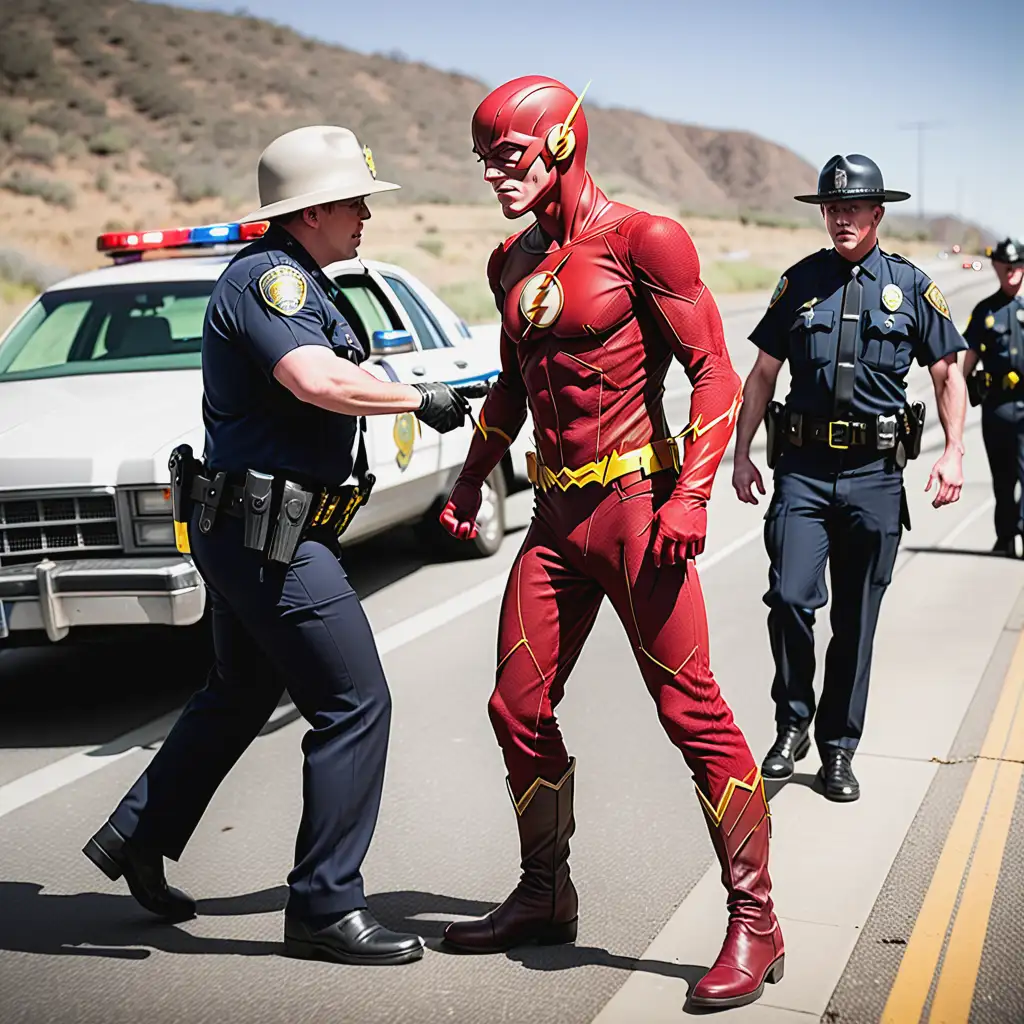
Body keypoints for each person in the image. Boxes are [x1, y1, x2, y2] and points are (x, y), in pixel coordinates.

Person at [82, 125, 470, 966]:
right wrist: (413, 401)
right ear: (316, 207)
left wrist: (429, 387)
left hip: (251, 533)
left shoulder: (305, 281)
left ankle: (137, 835)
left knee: (240, 690)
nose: (366, 213)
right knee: (355, 703)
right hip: (273, 543)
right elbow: (315, 379)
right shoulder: (275, 282)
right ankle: (325, 908)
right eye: (356, 200)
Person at [437, 75, 783, 1012]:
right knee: (516, 706)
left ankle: (756, 921)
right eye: (484, 162)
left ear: (559, 144)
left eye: (507, 156)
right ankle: (546, 893)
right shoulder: (512, 262)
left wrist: (694, 496)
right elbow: (514, 382)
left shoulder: (645, 240)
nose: (494, 177)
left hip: (639, 507)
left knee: (692, 713)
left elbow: (713, 372)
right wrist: (472, 475)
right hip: (554, 518)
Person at [732, 154, 967, 803]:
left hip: (874, 477)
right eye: (831, 208)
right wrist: (742, 452)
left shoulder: (911, 287)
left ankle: (839, 747)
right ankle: (792, 722)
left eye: (851, 208)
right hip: (803, 473)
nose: (839, 217)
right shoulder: (798, 282)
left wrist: (954, 453)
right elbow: (761, 376)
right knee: (789, 598)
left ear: (876, 214)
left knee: (857, 622)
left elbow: (949, 373)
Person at [963, 237, 1024, 557]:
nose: (1012, 271)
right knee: (1003, 479)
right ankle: (1005, 537)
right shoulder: (985, 312)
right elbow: (967, 362)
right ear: (997, 268)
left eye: (1017, 265)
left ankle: (1021, 529)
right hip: (997, 406)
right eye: (1006, 265)